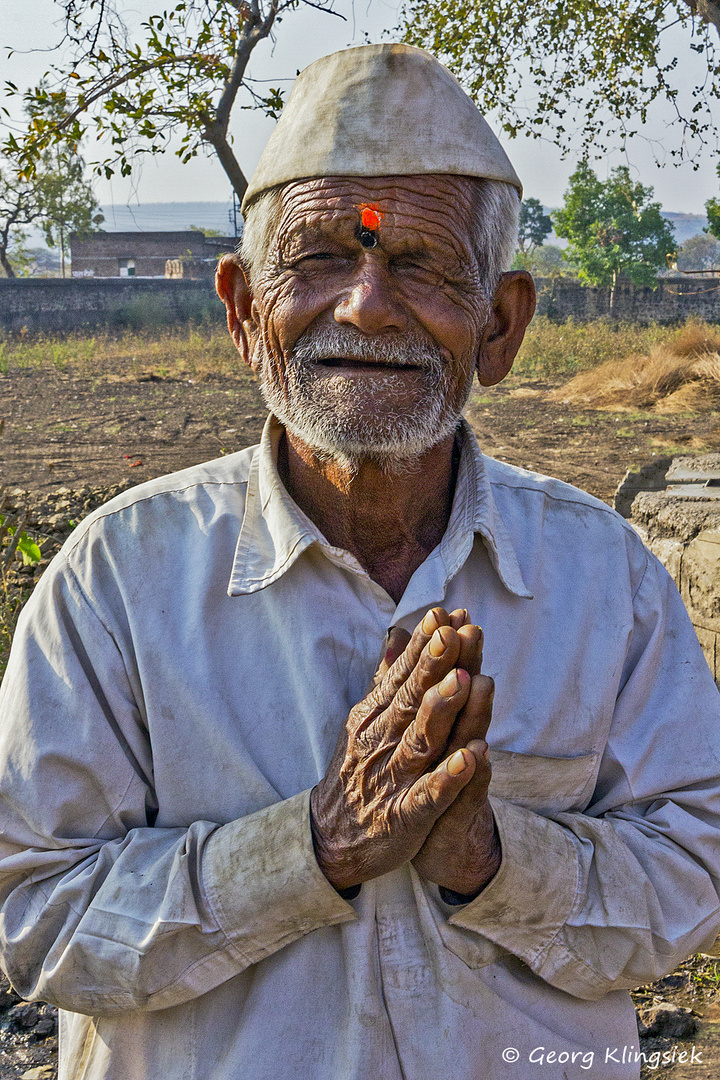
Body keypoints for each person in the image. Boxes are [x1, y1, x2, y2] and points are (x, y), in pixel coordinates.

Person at [1, 43, 719, 1080]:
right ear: (245, 312)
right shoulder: (117, 582)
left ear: (501, 326)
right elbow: (34, 912)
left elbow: (697, 864)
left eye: (421, 265)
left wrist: (495, 860)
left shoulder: (603, 581)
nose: (368, 305)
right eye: (323, 258)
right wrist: (313, 849)